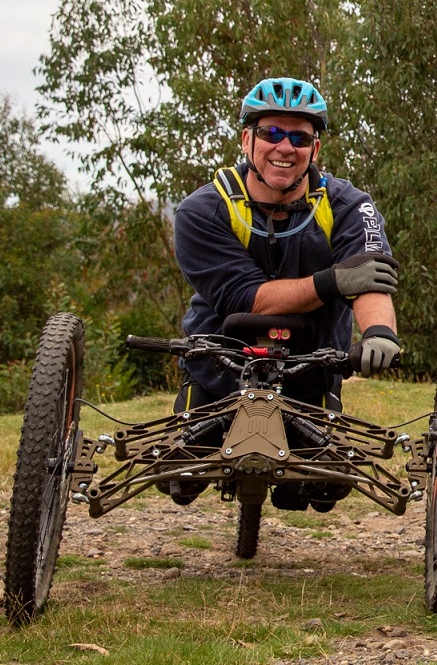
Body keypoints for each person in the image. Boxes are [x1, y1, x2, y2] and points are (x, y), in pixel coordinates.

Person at [170, 77, 401, 511]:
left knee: (326, 486)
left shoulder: (349, 205)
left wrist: (380, 333)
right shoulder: (202, 210)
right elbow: (245, 298)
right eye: (271, 133)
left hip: (310, 368)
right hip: (218, 368)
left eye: (299, 137)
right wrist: (331, 281)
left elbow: (370, 278)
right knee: (179, 475)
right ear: (246, 140)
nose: (284, 147)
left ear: (315, 150)